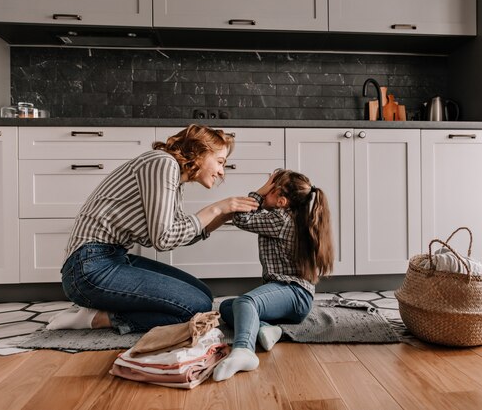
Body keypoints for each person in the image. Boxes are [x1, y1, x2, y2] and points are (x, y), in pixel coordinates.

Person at [47, 124, 259, 334]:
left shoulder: (174, 179)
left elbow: (177, 235)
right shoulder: (163, 162)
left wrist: (223, 216)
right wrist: (216, 208)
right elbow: (164, 238)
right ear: (200, 152)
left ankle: (105, 305)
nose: (221, 171)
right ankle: (99, 319)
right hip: (88, 267)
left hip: (112, 258)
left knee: (203, 295)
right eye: (220, 162)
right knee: (196, 306)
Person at [213, 169, 334, 381]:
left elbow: (241, 218)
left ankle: (244, 352)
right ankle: (268, 330)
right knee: (227, 307)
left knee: (245, 303)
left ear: (281, 201)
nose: (265, 192)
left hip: (293, 292)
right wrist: (266, 192)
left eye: (270, 190)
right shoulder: (291, 217)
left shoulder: (280, 219)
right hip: (294, 297)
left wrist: (258, 192)